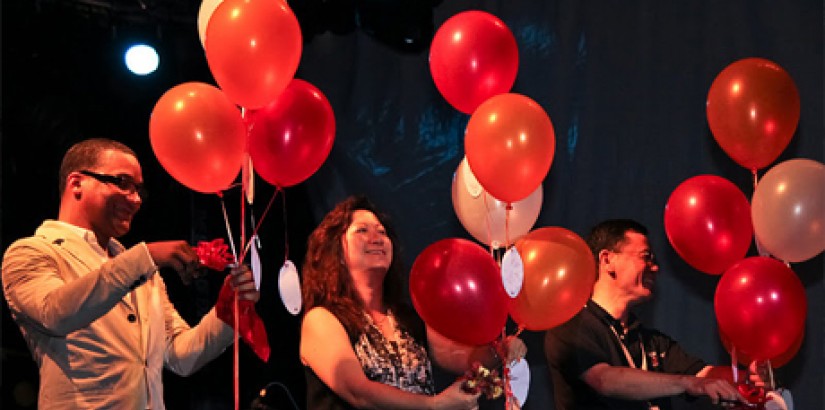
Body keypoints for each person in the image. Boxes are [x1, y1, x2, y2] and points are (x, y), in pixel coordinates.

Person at [2, 138, 259, 409]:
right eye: (123, 183)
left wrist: (229, 311)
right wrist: (144, 257)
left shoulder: (138, 268)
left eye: (139, 190)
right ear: (76, 183)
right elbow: (54, 313)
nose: (136, 200)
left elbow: (179, 356)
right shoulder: (31, 252)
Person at [300, 195, 527, 410]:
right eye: (362, 231)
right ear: (336, 250)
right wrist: (434, 405)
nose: (377, 238)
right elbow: (357, 391)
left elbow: (463, 358)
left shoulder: (405, 318)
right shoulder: (321, 319)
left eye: (382, 231)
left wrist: (502, 351)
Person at [544, 219, 748, 410]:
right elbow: (604, 380)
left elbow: (704, 374)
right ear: (607, 260)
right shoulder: (572, 325)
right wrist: (689, 383)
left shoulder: (651, 341)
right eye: (646, 257)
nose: (656, 268)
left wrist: (746, 378)